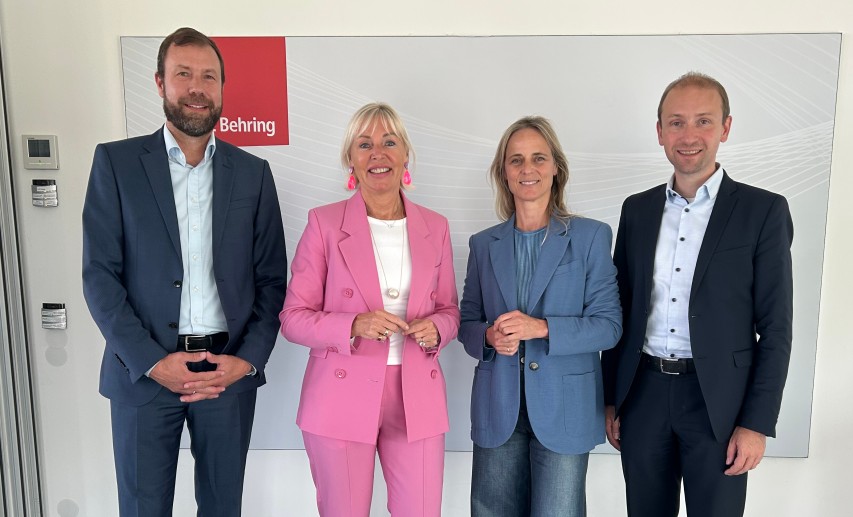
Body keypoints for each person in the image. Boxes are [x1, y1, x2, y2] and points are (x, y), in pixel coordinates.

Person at [82, 27, 287, 517]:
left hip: (225, 373)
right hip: (143, 375)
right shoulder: (117, 163)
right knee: (142, 509)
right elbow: (99, 277)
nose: (197, 87)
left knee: (222, 509)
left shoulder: (253, 173)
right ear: (160, 83)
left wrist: (247, 361)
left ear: (221, 89)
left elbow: (272, 281)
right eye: (183, 74)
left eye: (208, 77)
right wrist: (153, 362)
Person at [601, 72, 794, 517]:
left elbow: (776, 327)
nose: (689, 136)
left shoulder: (763, 211)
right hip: (644, 394)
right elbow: (621, 308)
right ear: (660, 132)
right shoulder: (637, 209)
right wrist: (612, 397)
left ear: (725, 128)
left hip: (720, 404)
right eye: (676, 122)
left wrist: (756, 422)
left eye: (703, 121)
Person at [279, 102, 460, 516]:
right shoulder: (323, 223)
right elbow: (293, 318)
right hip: (341, 393)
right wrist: (353, 324)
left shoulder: (437, 226)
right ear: (351, 161)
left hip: (417, 393)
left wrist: (438, 328)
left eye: (389, 142)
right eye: (365, 144)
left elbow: (450, 309)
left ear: (405, 156)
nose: (377, 153)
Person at [458, 116, 622, 517]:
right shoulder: (483, 245)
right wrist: (489, 338)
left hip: (565, 408)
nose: (527, 169)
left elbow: (609, 326)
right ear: (504, 173)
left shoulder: (590, 237)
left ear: (555, 168)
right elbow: (467, 325)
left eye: (538, 158)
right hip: (499, 408)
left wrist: (542, 328)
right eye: (516, 160)